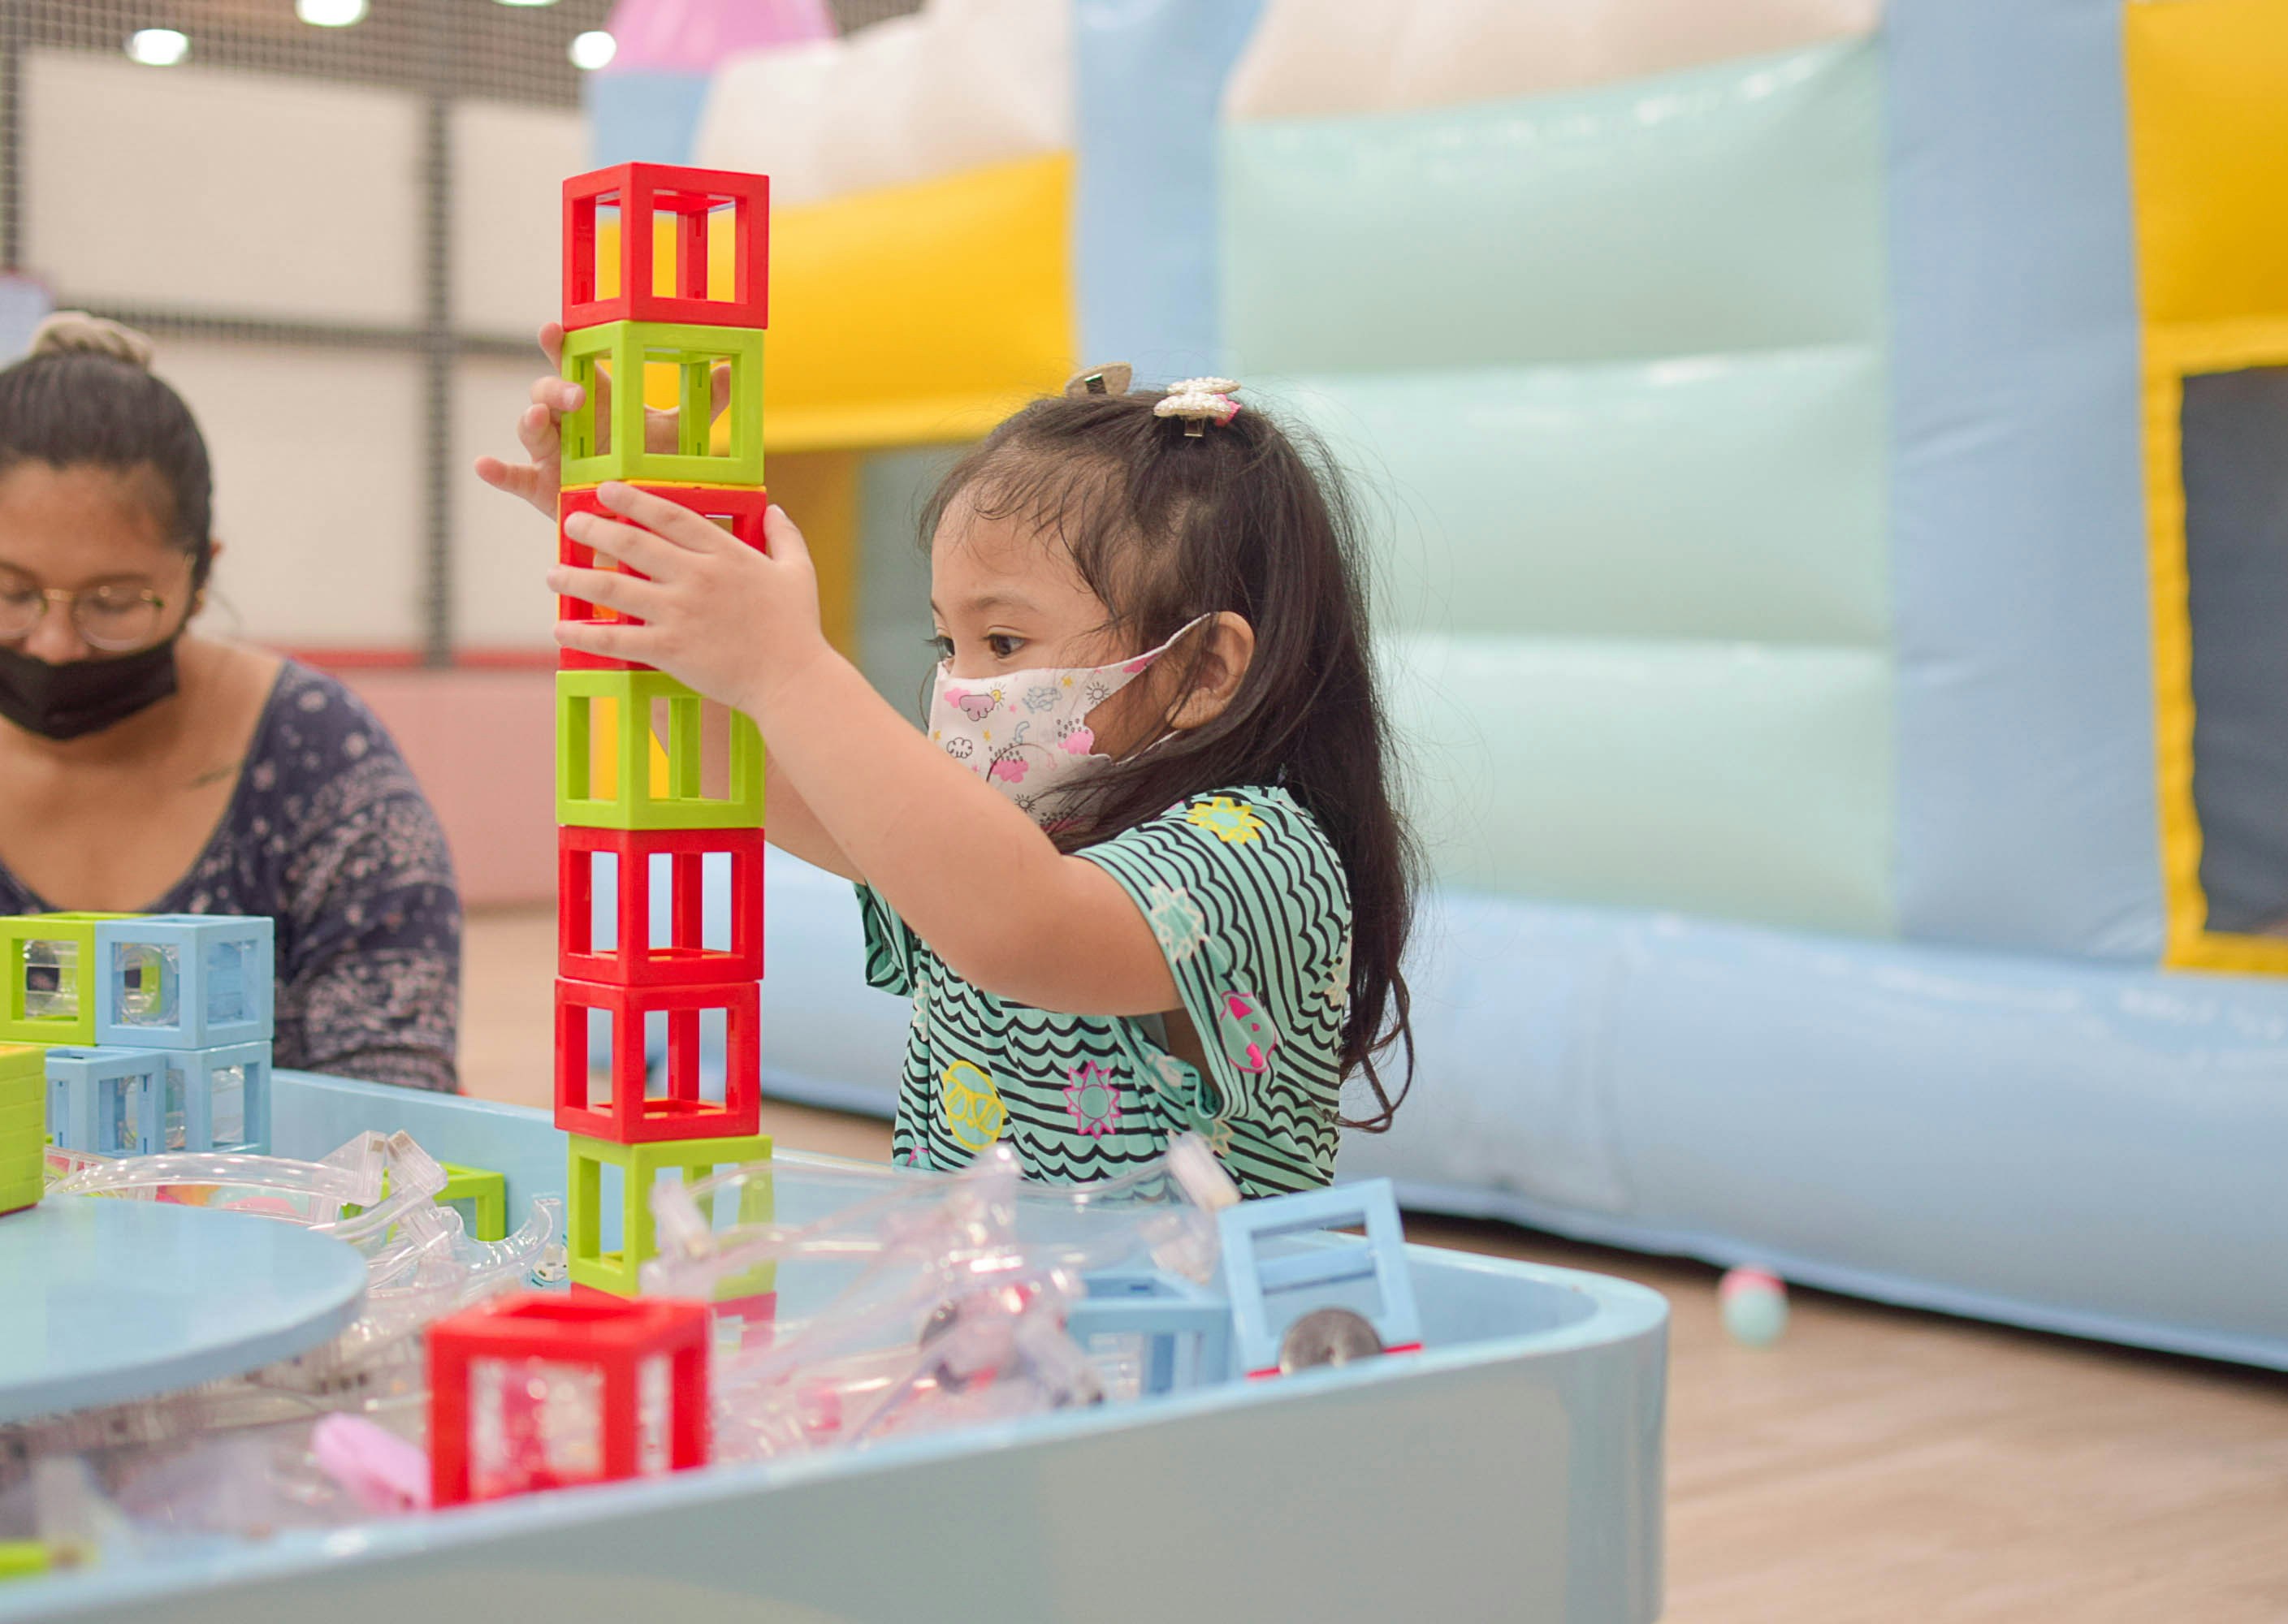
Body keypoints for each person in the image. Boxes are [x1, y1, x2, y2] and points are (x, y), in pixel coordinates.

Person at [480, 344, 1412, 1192]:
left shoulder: (1259, 852)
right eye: (948, 639)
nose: (962, 683)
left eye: (1003, 639)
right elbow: (742, 768)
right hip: (994, 1332)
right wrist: (635, 530)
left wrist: (790, 664)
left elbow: (1021, 925)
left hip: (1186, 1355)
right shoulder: (1007, 819)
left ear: (1202, 668)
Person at [0, 313, 461, 1091]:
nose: (54, 644)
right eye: (10, 591)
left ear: (200, 578)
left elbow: (391, 1091)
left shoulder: (317, 760)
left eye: (112, 603)